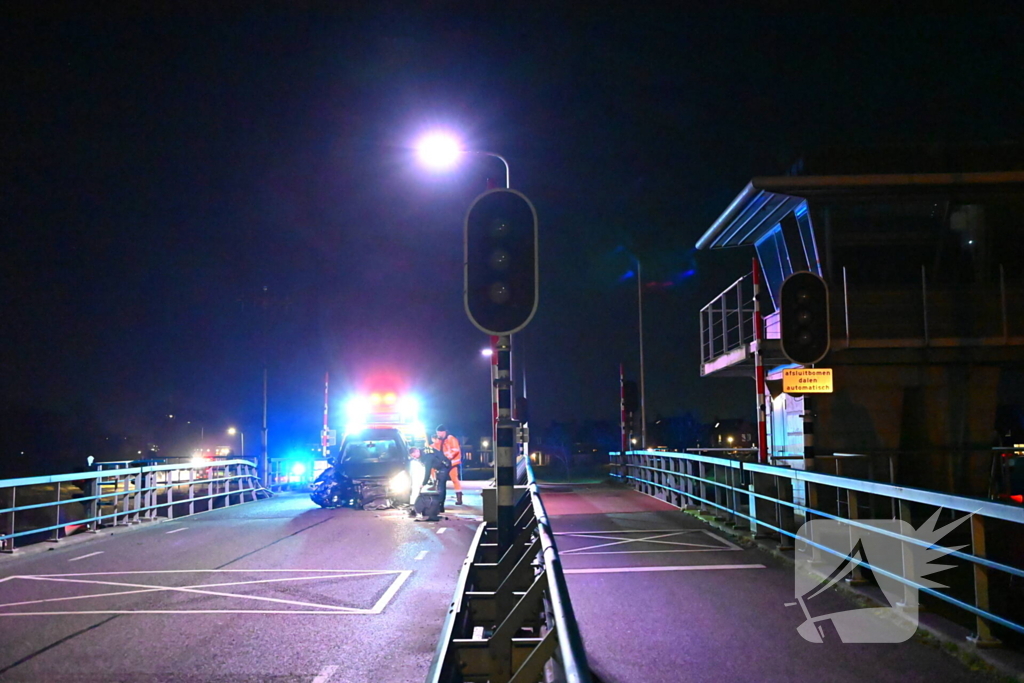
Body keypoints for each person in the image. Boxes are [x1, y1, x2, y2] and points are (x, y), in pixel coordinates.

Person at [409, 446, 451, 516]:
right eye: (413, 457)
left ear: (417, 451)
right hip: (439, 467)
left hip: (444, 467)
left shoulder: (427, 457)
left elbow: (427, 471)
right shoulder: (424, 453)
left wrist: (424, 483)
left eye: (415, 456)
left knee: (441, 487)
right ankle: (439, 506)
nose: (415, 457)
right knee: (439, 486)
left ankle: (440, 507)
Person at [431, 424, 463, 505]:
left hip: (452, 463)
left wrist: (448, 457)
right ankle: (440, 499)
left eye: (439, 433)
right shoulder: (440, 440)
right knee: (442, 481)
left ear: (444, 432)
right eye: (437, 433)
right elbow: (436, 449)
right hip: (445, 463)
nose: (438, 434)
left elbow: (456, 450)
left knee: (454, 479)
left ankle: (459, 498)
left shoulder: (451, 438)